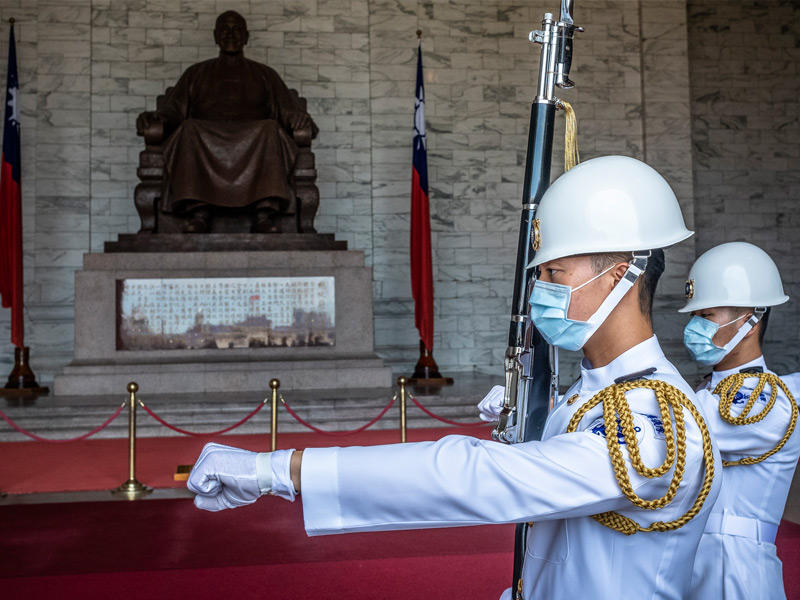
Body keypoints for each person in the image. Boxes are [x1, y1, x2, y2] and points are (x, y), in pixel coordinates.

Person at [187, 155, 721, 600]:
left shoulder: (658, 420)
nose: (540, 289)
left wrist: (278, 469)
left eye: (554, 273)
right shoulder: (594, 395)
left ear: (623, 272)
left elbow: (477, 477)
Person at [680, 242, 799, 600]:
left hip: (736, 569)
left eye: (707, 315)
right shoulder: (706, 392)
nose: (694, 327)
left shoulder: (767, 403)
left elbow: (684, 430)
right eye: (694, 315)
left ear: (750, 321)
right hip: (692, 559)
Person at [136, 11, 317, 233]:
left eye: (236, 29)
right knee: (189, 128)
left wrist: (297, 118)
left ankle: (264, 212)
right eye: (224, 29)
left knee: (270, 128)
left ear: (246, 36)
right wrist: (158, 117)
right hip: (204, 136)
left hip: (256, 137)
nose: (230, 34)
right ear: (215, 36)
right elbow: (175, 109)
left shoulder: (265, 74)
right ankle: (199, 211)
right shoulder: (196, 73)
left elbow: (287, 109)